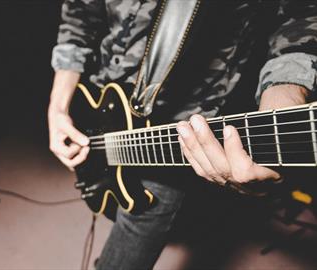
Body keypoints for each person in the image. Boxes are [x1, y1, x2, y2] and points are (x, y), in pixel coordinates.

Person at [48, 1, 317, 269]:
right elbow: (78, 17)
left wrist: (284, 105)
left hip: (178, 133)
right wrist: (58, 107)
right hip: (101, 99)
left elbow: (301, 18)